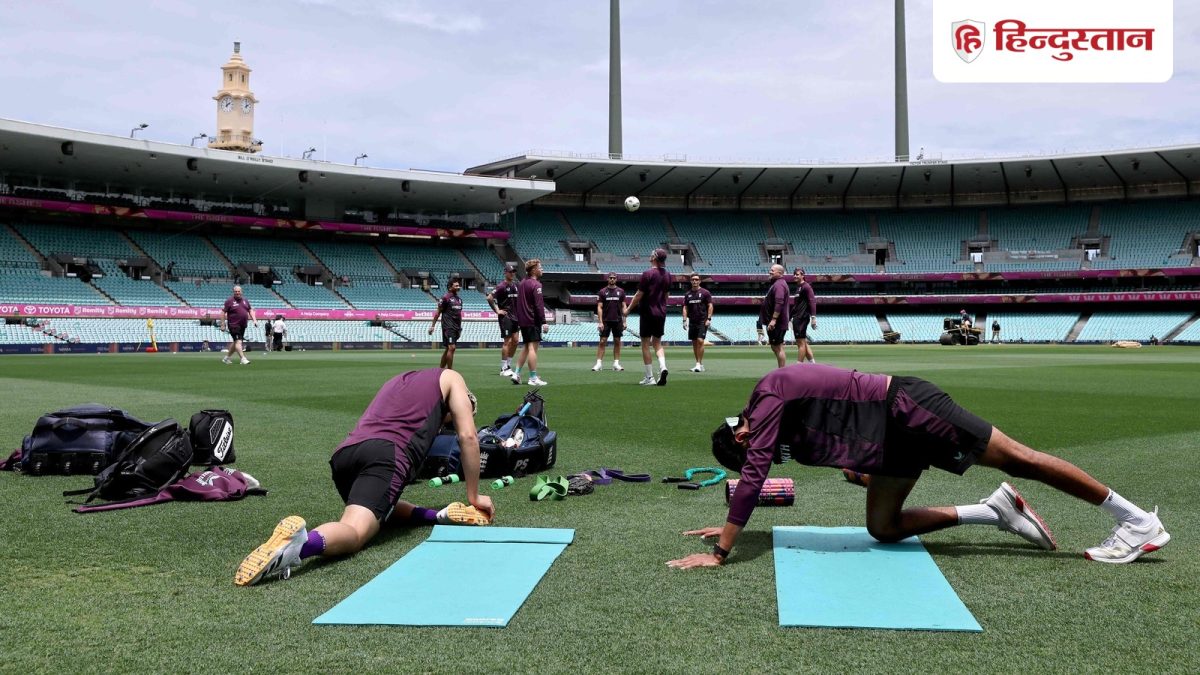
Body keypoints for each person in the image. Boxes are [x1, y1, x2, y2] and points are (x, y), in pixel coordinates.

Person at [666, 363, 1170, 570]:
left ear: (742, 434)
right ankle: (993, 511)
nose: (766, 454)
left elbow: (754, 476)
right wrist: (860, 473)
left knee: (1021, 460)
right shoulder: (785, 428)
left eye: (755, 449)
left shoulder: (769, 393)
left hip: (907, 408)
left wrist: (722, 549)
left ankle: (1134, 520)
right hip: (887, 446)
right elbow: (845, 456)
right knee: (883, 527)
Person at [235, 368, 494, 586]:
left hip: (346, 454)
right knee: (355, 532)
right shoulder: (453, 378)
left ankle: (436, 516)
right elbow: (468, 437)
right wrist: (474, 496)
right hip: (385, 455)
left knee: (380, 513)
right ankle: (298, 546)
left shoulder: (402, 380)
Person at [624, 248, 671, 386]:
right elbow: (666, 296)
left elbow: (639, 294)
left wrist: (628, 309)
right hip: (661, 313)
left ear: (655, 258)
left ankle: (649, 377)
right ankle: (663, 367)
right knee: (657, 343)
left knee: (645, 343)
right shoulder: (668, 275)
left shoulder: (647, 274)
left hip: (647, 312)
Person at [511, 259, 548, 386]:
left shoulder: (521, 283)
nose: (542, 269)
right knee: (533, 348)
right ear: (533, 270)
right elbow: (539, 305)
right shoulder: (536, 285)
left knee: (526, 347)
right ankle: (533, 378)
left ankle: (516, 373)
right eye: (540, 267)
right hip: (532, 320)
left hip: (523, 320)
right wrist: (544, 321)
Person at [487, 263, 520, 376]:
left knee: (516, 341)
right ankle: (503, 368)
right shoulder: (501, 286)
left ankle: (508, 366)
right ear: (505, 273)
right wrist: (497, 310)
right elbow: (490, 298)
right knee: (508, 341)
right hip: (506, 317)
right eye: (510, 272)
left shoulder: (516, 286)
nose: (512, 274)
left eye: (513, 272)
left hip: (516, 317)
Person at [756, 264, 790, 368]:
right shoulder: (776, 284)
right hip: (775, 322)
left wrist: (774, 319)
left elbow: (779, 302)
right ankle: (781, 370)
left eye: (772, 270)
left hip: (777, 323)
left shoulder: (779, 285)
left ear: (779, 273)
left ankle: (782, 371)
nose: (770, 272)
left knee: (778, 347)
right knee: (776, 347)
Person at [593, 272, 627, 372]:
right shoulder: (602, 292)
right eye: (610, 278)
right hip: (605, 321)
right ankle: (598, 363)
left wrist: (624, 321)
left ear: (616, 279)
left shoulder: (621, 291)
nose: (612, 279)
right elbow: (599, 307)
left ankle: (616, 363)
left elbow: (624, 306)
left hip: (618, 320)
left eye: (614, 278)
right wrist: (600, 322)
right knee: (602, 341)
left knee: (617, 341)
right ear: (608, 279)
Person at [428, 278, 463, 370]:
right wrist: (432, 326)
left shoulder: (459, 300)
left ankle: (440, 370)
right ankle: (450, 371)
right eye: (456, 286)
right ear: (450, 287)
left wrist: (459, 328)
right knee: (452, 348)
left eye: (458, 285)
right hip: (448, 326)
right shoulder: (445, 298)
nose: (458, 287)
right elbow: (438, 313)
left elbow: (459, 314)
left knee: (448, 348)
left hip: (456, 328)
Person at [682, 274, 713, 372]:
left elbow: (710, 306)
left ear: (699, 281)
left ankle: (698, 364)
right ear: (690, 281)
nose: (694, 281)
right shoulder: (687, 294)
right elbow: (685, 307)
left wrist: (709, 319)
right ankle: (699, 364)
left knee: (700, 340)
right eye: (693, 279)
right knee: (694, 343)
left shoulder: (705, 293)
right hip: (692, 321)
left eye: (696, 279)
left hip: (702, 320)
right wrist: (684, 320)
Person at [221, 285, 257, 365]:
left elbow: (250, 310)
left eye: (239, 291)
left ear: (241, 292)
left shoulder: (245, 301)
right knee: (238, 341)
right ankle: (243, 359)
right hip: (233, 325)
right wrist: (222, 324)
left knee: (236, 342)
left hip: (242, 325)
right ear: (233, 292)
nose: (237, 293)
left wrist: (254, 320)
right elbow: (223, 312)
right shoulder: (229, 301)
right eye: (235, 291)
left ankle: (226, 358)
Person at [790, 268, 818, 363]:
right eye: (794, 274)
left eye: (797, 274)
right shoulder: (798, 287)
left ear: (803, 275)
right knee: (803, 343)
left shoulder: (806, 287)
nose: (795, 276)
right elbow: (796, 306)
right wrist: (789, 317)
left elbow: (812, 301)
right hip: (797, 318)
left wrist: (813, 318)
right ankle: (813, 364)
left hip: (802, 318)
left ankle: (799, 366)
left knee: (800, 343)